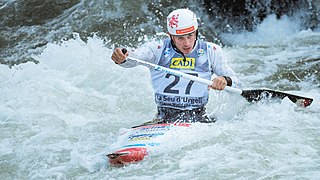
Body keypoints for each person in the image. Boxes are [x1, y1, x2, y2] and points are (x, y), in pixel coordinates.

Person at [111, 9, 241, 124]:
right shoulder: (158, 48)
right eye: (180, 38)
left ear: (196, 32)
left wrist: (225, 80)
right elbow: (133, 58)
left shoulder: (211, 50)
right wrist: (122, 57)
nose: (187, 43)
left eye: (190, 36)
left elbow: (236, 83)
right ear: (171, 36)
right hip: (164, 118)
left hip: (198, 118)